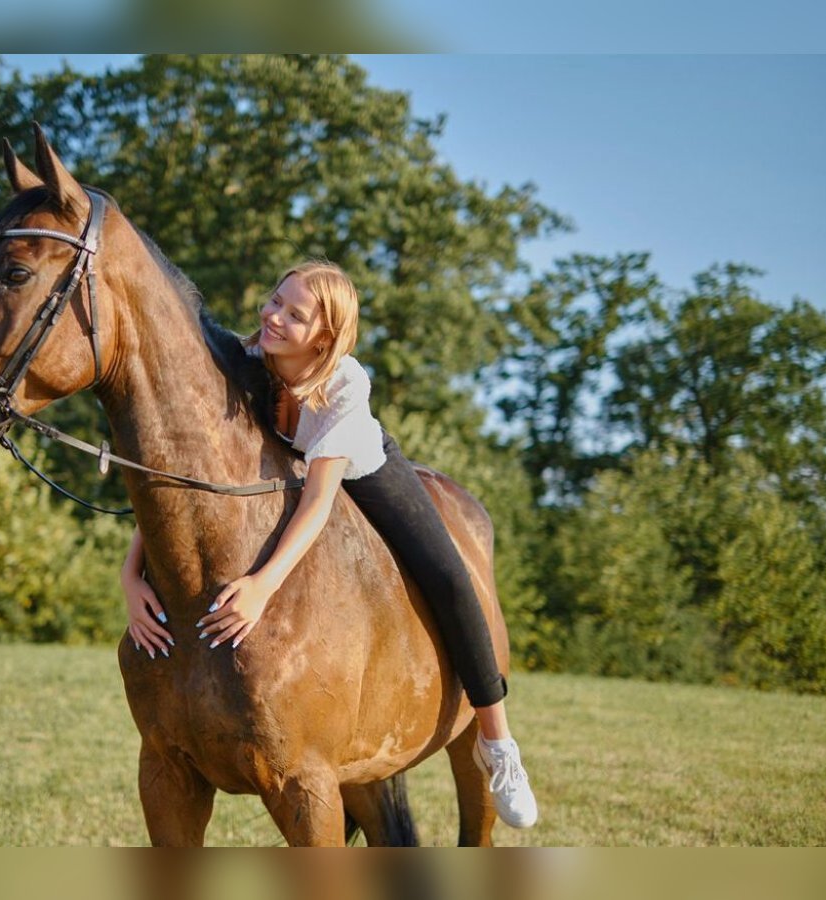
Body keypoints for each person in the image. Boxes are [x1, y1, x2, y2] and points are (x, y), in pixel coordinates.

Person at [120, 260, 538, 829]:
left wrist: (262, 588)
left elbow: (319, 504)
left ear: (324, 334)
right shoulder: (247, 362)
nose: (274, 316)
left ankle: (498, 744)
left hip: (361, 472)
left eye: (295, 314)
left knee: (449, 578)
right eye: (275, 299)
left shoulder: (344, 386)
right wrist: (131, 577)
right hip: (279, 474)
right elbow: (187, 485)